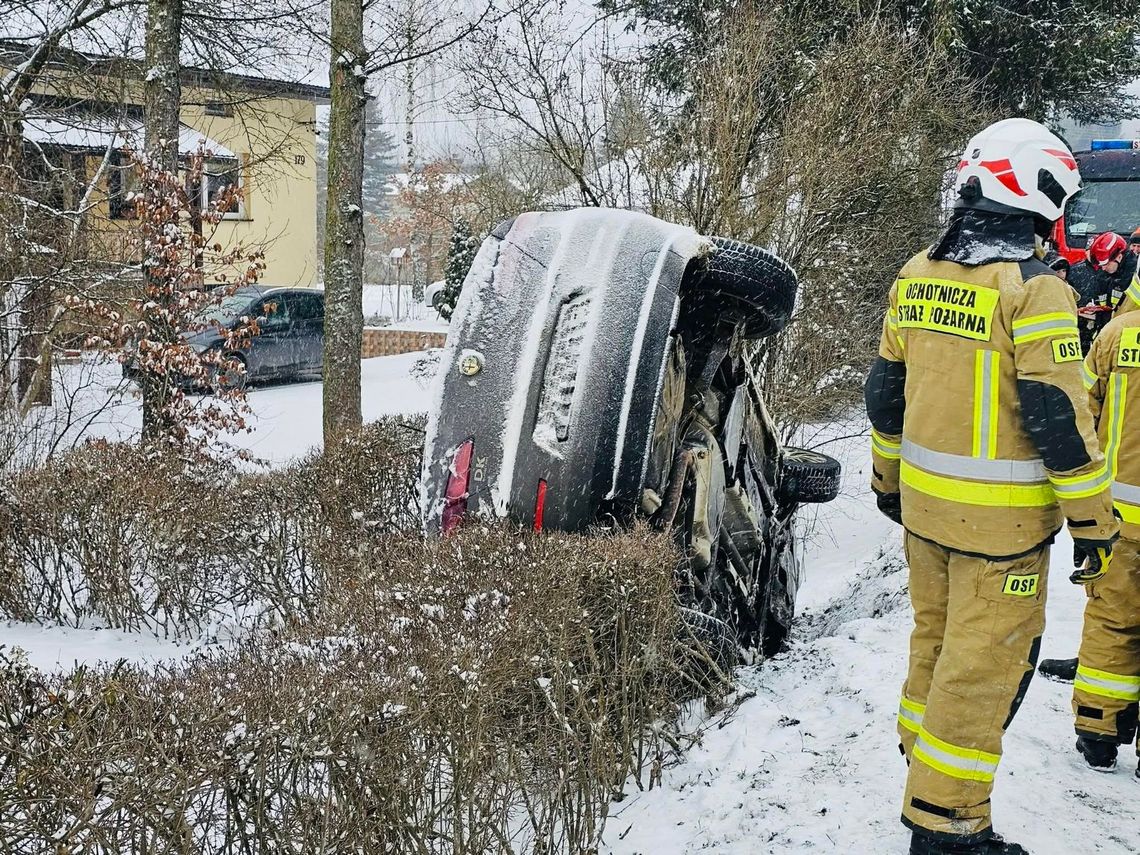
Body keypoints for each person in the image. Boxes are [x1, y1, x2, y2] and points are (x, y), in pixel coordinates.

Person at [865, 118, 1118, 855]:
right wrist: (1095, 524)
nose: (1059, 221)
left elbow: (884, 393)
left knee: (935, 644)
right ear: (1033, 192)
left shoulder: (916, 273)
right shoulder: (1036, 291)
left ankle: (924, 769)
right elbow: (1060, 421)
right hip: (1000, 535)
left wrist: (888, 482)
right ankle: (948, 827)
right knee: (983, 670)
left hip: (924, 515)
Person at [1066, 311, 1140, 772]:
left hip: (1118, 517)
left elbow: (1080, 407)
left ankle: (1097, 730)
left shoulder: (1117, 333)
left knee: (1111, 622)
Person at [1067, 231, 1128, 353]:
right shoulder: (1103, 274)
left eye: (1105, 264)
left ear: (1119, 257)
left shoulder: (1131, 276)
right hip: (1101, 334)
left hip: (1123, 336)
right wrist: (1094, 312)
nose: (1103, 268)